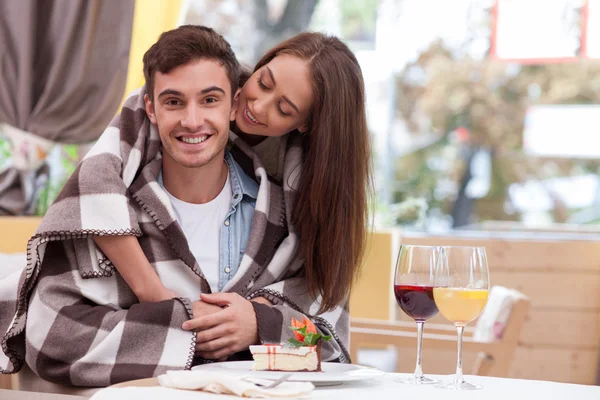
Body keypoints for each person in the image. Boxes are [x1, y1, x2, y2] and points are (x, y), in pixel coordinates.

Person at [0, 25, 370, 387]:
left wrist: (259, 324)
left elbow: (326, 346)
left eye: (284, 108)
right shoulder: (123, 188)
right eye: (264, 83)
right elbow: (55, 334)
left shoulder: (292, 213)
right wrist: (173, 312)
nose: (257, 106)